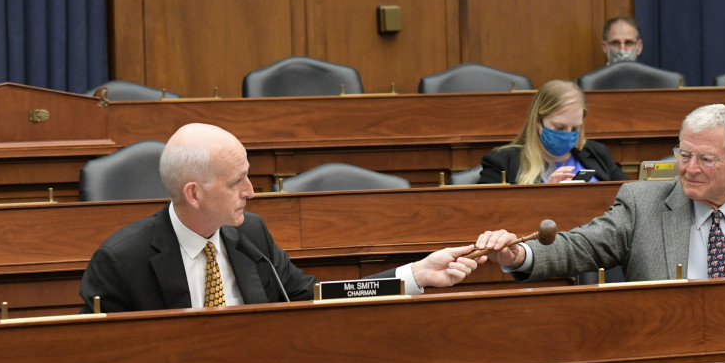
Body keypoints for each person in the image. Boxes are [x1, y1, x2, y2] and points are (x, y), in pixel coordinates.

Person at [80, 123, 484, 312]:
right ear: (194, 194)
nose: (251, 191)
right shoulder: (121, 261)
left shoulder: (251, 235)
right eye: (237, 181)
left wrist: (413, 275)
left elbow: (315, 299)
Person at [474, 104, 725, 282]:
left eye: (706, 159)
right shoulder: (642, 204)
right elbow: (580, 245)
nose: (690, 169)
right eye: (684, 155)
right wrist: (519, 256)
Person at [477, 80, 628, 185]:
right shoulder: (502, 162)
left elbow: (628, 194)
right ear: (538, 121)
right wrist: (547, 195)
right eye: (559, 127)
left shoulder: (597, 153)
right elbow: (490, 213)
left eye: (575, 129)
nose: (568, 135)